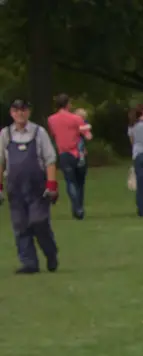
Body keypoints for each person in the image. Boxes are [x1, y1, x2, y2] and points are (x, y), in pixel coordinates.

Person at [1, 99, 60, 274]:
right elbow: (1, 162)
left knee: (39, 222)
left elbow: (50, 160)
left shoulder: (38, 133)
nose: (20, 113)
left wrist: (51, 185)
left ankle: (50, 253)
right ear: (12, 113)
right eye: (16, 110)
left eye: (23, 110)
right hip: (15, 187)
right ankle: (29, 263)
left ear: (28, 112)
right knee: (20, 225)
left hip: (37, 187)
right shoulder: (5, 134)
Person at [46, 95, 90, 220]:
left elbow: (53, 134)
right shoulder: (76, 118)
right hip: (78, 153)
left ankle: (76, 207)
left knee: (70, 181)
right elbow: (87, 135)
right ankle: (79, 207)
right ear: (67, 104)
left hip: (64, 153)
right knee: (80, 182)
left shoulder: (51, 119)